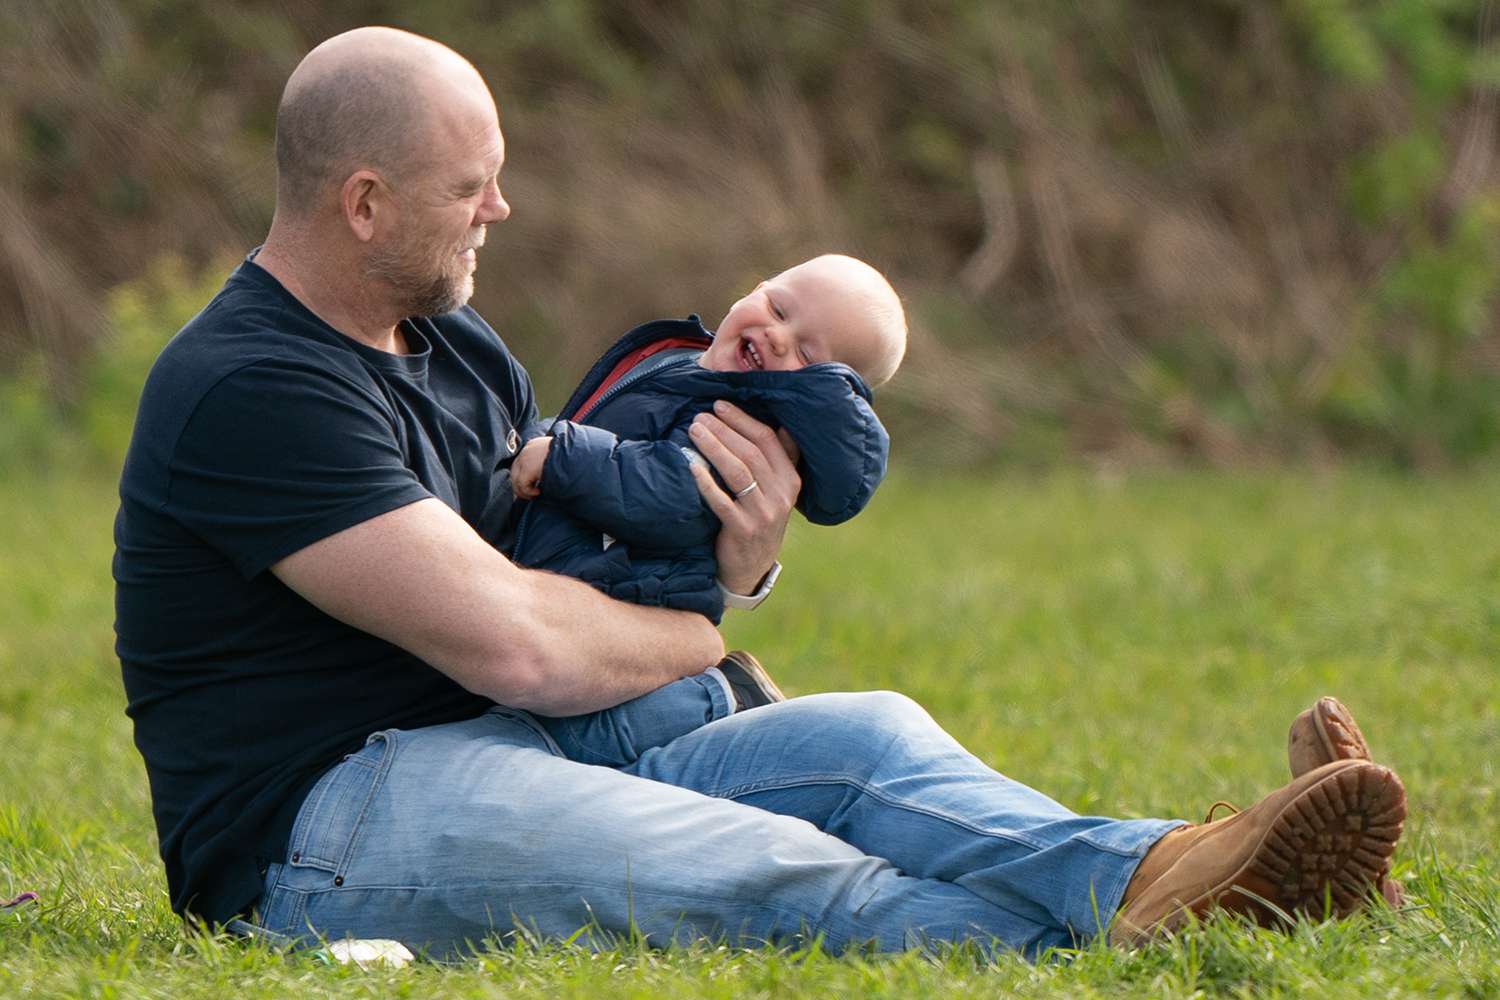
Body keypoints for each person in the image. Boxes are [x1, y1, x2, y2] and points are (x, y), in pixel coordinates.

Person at [113, 26, 1406, 960]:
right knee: (783, 878)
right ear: (362, 203)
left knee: (873, 739)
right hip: (332, 824)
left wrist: (737, 561)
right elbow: (515, 636)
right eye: (470, 188)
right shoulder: (251, 389)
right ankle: (1216, 906)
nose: (499, 209)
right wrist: (704, 633)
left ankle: (1173, 869)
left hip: (525, 739)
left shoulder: (459, 349)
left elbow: (567, 554)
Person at [509, 254, 904, 765]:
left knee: (585, 735)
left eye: (807, 353)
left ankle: (723, 708)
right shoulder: (683, 364)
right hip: (581, 579)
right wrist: (545, 437)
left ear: (827, 393)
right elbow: (600, 428)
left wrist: (562, 454)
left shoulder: (744, 419)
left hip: (631, 599)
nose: (779, 337)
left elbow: (672, 493)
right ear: (758, 286)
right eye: (779, 308)